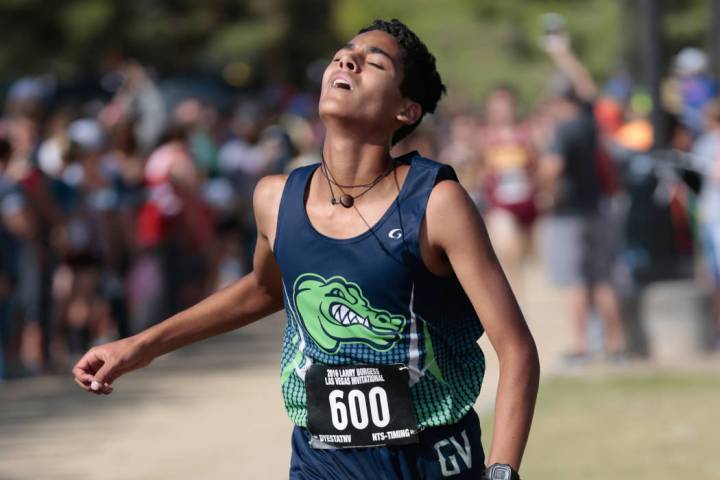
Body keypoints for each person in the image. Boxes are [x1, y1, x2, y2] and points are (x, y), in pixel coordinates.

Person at [72, 19, 539, 479]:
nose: (347, 59)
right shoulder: (276, 199)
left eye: (373, 63)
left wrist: (501, 472)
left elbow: (516, 349)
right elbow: (264, 289)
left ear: (407, 111)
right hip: (323, 460)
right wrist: (139, 346)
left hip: (430, 458)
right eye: (344, 54)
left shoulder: (436, 203)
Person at [538, 32, 626, 360]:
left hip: (568, 214)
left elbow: (551, 169)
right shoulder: (589, 122)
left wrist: (546, 193)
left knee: (573, 281)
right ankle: (616, 345)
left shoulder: (563, 130)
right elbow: (587, 85)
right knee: (602, 278)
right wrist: (563, 54)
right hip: (596, 208)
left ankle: (581, 346)